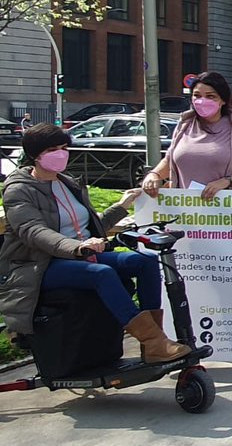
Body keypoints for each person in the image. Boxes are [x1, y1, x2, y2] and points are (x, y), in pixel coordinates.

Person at [0, 124, 190, 363]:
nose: (61, 153)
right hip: (39, 265)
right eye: (53, 149)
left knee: (146, 262)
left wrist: (121, 206)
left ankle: (155, 344)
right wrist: (76, 247)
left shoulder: (67, 182)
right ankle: (153, 341)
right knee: (102, 274)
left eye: (64, 147)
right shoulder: (19, 190)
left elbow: (88, 226)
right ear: (35, 155)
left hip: (79, 254)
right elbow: (33, 231)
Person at [141, 71, 232, 200]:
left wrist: (227, 181)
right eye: (197, 95)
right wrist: (154, 175)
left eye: (210, 96)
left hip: (226, 212)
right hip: (186, 211)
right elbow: (170, 160)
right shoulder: (184, 125)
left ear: (222, 100)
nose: (202, 101)